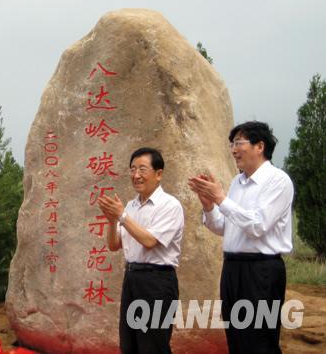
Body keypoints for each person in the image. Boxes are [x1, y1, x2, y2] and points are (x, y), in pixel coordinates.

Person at [188, 121, 293, 353]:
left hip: (261, 271)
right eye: (231, 144)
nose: (234, 150)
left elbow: (258, 225)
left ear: (260, 146)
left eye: (239, 143)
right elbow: (224, 227)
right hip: (233, 269)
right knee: (236, 339)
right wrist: (209, 205)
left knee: (259, 340)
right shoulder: (238, 182)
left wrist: (221, 199)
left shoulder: (278, 181)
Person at [97, 147, 184, 354]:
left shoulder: (170, 205)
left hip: (157, 282)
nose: (136, 175)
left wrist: (122, 216)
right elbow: (113, 245)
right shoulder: (130, 206)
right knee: (129, 344)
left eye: (142, 169)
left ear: (159, 173)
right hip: (132, 278)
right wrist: (112, 221)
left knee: (153, 344)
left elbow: (150, 240)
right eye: (133, 169)